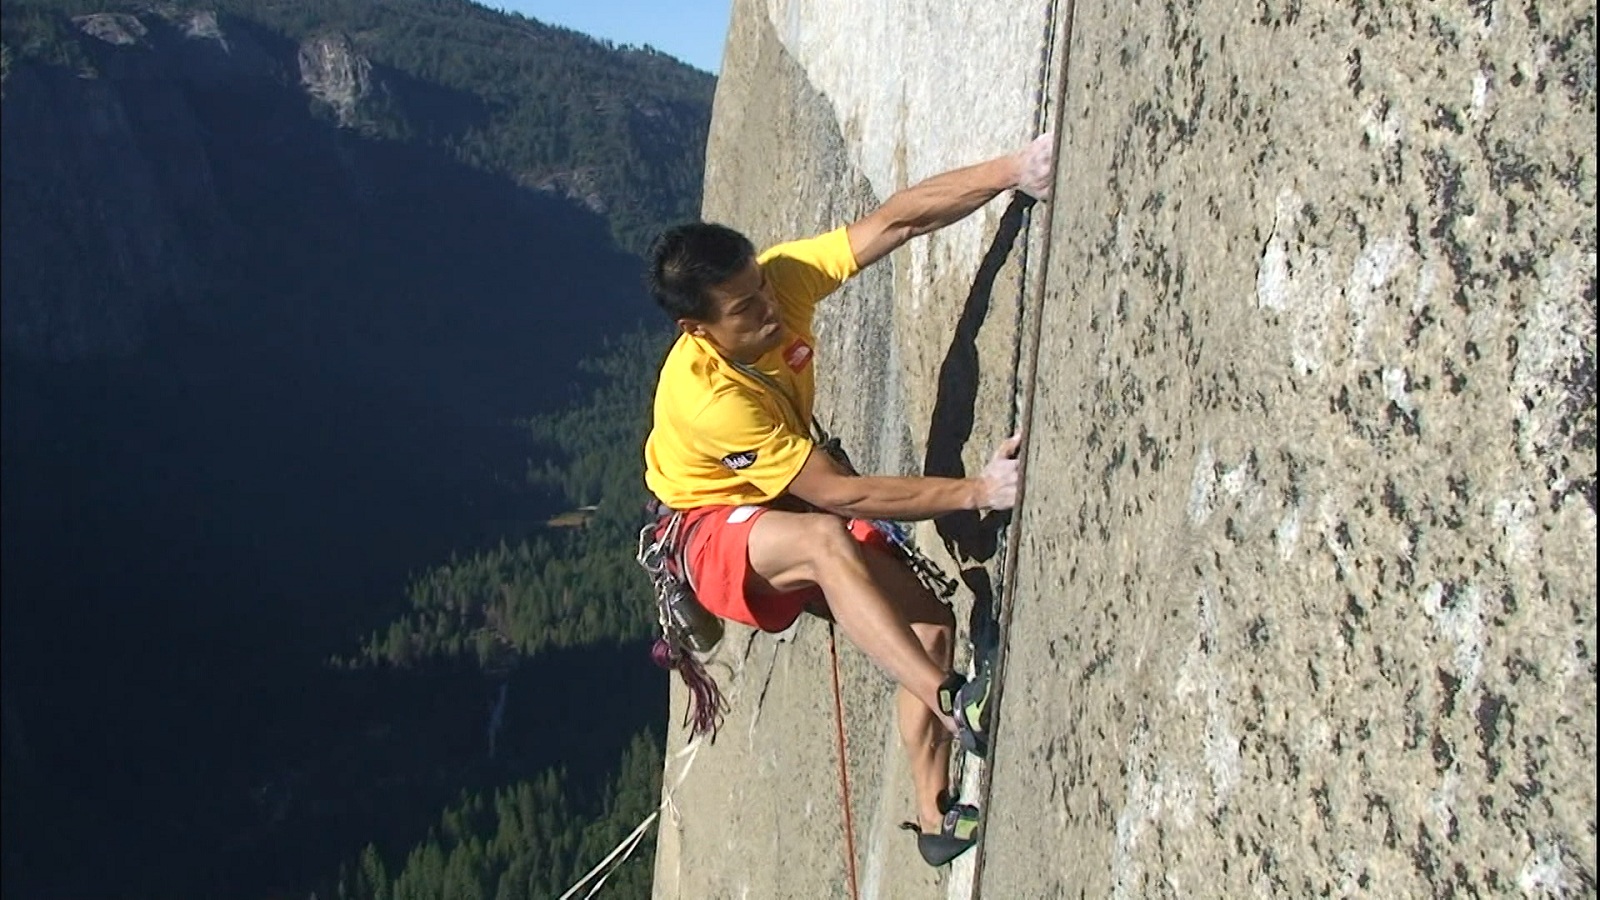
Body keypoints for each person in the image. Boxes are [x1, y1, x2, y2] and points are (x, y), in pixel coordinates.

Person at [642, 133, 1054, 866]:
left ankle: (933, 816)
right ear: (696, 329)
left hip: (778, 503)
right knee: (825, 542)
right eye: (743, 307)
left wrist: (1012, 172)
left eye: (762, 285)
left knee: (928, 626)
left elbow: (897, 222)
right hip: (708, 530)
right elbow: (839, 493)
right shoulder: (707, 399)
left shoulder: (779, 283)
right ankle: (959, 700)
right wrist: (977, 492)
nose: (768, 308)